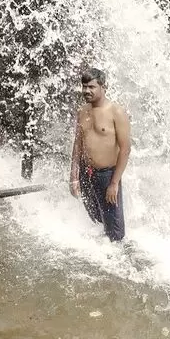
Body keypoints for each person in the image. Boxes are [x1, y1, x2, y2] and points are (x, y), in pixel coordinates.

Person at [69, 68, 131, 242]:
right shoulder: (82, 111)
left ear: (104, 87)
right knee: (96, 222)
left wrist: (114, 183)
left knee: (115, 232)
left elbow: (125, 149)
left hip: (107, 175)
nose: (86, 91)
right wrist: (74, 176)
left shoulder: (116, 112)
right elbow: (77, 145)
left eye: (91, 87)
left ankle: (121, 261)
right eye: (84, 87)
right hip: (86, 174)